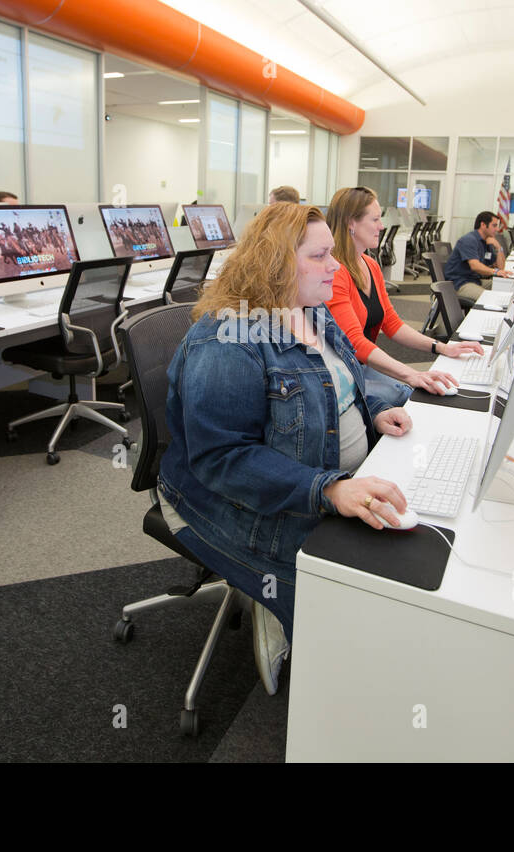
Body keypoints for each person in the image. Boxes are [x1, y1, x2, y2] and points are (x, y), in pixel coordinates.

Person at [157, 202, 413, 694]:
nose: (336, 267)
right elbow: (222, 459)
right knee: (353, 598)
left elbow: (340, 382)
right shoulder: (227, 342)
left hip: (324, 481)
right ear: (275, 265)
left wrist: (371, 412)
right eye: (320, 256)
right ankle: (273, 600)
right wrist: (330, 489)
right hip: (235, 499)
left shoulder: (310, 311)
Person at [324, 186, 483, 405]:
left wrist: (442, 347)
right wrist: (411, 374)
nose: (381, 226)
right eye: (375, 220)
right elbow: (355, 343)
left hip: (363, 366)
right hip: (340, 373)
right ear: (351, 222)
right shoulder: (335, 272)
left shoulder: (370, 265)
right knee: (410, 394)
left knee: (419, 391)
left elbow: (392, 324)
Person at [444, 211, 513, 301]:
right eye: (494, 225)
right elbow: (475, 266)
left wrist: (498, 247)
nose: (497, 229)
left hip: (474, 280)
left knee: (508, 286)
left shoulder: (486, 242)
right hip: (460, 283)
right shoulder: (469, 240)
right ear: (483, 225)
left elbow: (500, 267)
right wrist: (495, 272)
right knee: (492, 299)